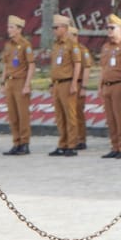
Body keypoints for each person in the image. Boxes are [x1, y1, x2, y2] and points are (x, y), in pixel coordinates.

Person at [98, 14, 121, 159]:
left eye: (112, 27)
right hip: (107, 85)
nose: (109, 30)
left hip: (119, 85)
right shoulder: (106, 47)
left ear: (120, 29)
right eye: (107, 27)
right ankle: (114, 146)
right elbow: (103, 68)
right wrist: (100, 86)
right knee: (111, 118)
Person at [0, 15, 35, 156]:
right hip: (10, 82)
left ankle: (25, 143)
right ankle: (16, 142)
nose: (9, 30)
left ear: (19, 29)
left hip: (21, 81)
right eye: (8, 27)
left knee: (23, 115)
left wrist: (27, 85)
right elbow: (5, 65)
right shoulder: (8, 45)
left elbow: (31, 66)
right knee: (12, 115)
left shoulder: (26, 45)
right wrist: (2, 82)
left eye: (11, 27)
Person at [49, 14, 82, 156]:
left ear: (64, 28)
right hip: (57, 83)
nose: (54, 30)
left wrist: (74, 83)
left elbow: (77, 65)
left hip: (67, 82)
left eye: (56, 27)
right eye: (54, 28)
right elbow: (54, 66)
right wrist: (51, 83)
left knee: (70, 115)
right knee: (59, 116)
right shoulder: (56, 44)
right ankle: (62, 143)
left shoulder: (72, 44)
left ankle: (71, 144)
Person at [70, 25, 93, 150]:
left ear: (75, 36)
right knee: (69, 114)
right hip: (67, 84)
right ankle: (71, 138)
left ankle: (81, 139)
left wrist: (83, 86)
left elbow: (87, 69)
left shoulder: (82, 50)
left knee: (78, 113)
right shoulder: (65, 48)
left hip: (78, 83)